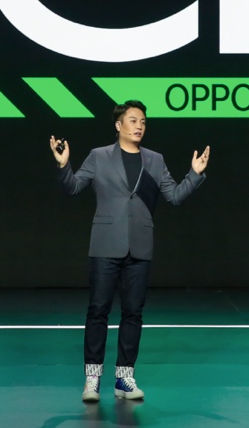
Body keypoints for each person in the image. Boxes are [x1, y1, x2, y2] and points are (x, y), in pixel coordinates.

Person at [50, 99, 209, 402]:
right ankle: (92, 379)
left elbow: (175, 196)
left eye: (143, 122)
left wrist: (194, 173)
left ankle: (124, 379)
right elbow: (72, 188)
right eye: (134, 120)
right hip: (105, 244)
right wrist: (63, 164)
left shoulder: (155, 160)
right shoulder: (99, 156)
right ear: (118, 125)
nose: (139, 126)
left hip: (140, 245)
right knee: (98, 311)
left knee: (133, 313)